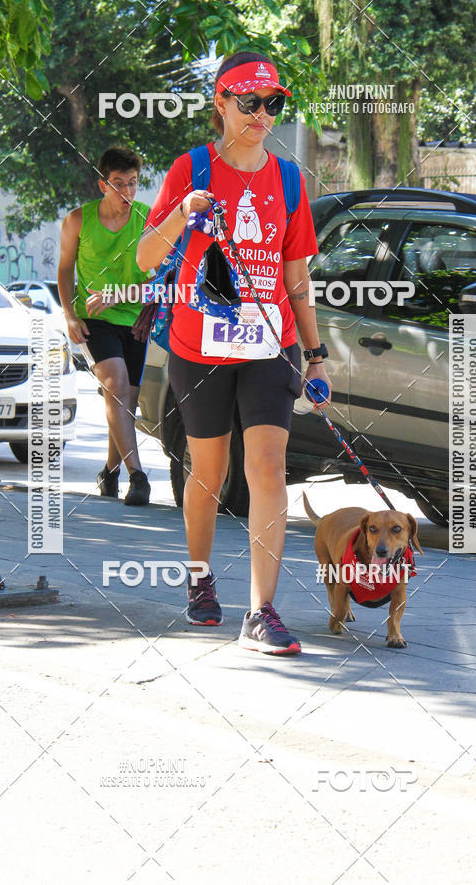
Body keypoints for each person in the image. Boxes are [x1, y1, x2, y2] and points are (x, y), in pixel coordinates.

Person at [137, 52, 332, 655]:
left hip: (270, 343)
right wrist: (184, 212)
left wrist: (316, 353)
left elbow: (296, 278)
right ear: (221, 103)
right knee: (210, 472)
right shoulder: (190, 168)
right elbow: (145, 257)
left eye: (272, 103)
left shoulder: (290, 179)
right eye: (249, 102)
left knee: (268, 468)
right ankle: (199, 578)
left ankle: (262, 610)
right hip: (200, 346)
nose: (262, 114)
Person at [58, 146, 152, 505]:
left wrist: (119, 293)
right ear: (102, 185)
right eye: (118, 184)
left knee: (128, 397)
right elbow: (65, 269)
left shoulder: (149, 219)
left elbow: (164, 279)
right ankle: (138, 476)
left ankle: (109, 472)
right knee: (115, 383)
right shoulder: (78, 221)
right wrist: (70, 315)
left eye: (132, 183)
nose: (126, 192)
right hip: (94, 318)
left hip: (138, 318)